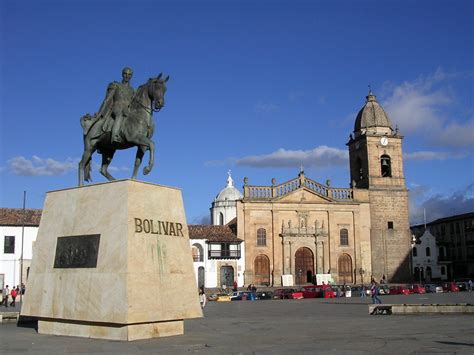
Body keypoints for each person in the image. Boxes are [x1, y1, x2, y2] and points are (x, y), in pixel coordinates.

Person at [96, 67, 135, 144]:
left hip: (127, 110)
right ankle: (114, 136)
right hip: (116, 107)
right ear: (122, 74)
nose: (127, 76)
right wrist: (99, 113)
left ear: (131, 76)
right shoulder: (115, 85)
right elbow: (107, 100)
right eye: (125, 74)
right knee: (119, 115)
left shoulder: (132, 90)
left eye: (129, 74)